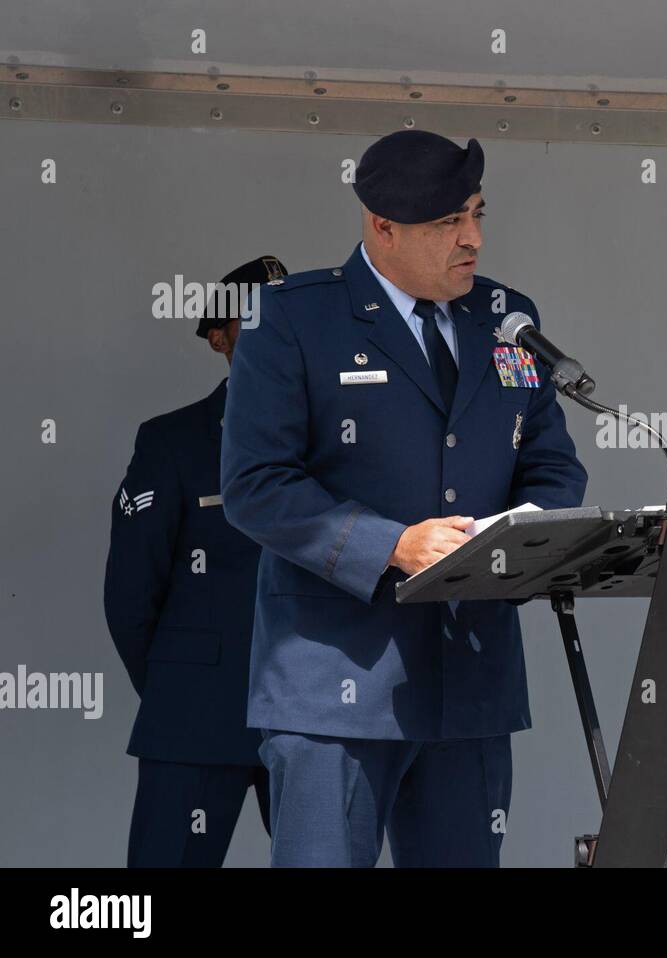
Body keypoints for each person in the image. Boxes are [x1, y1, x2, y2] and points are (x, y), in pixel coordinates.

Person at [220, 130, 588, 867]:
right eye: (448, 223)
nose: (473, 239)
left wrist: (531, 536)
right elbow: (255, 486)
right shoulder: (293, 320)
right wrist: (392, 544)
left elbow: (549, 463)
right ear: (381, 227)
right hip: (336, 692)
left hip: (470, 685)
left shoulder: (507, 318)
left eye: (478, 214)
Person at [104, 255, 289, 866]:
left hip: (316, 720)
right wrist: (180, 686)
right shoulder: (173, 441)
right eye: (255, 316)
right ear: (220, 337)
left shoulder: (338, 439)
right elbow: (131, 597)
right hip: (196, 718)